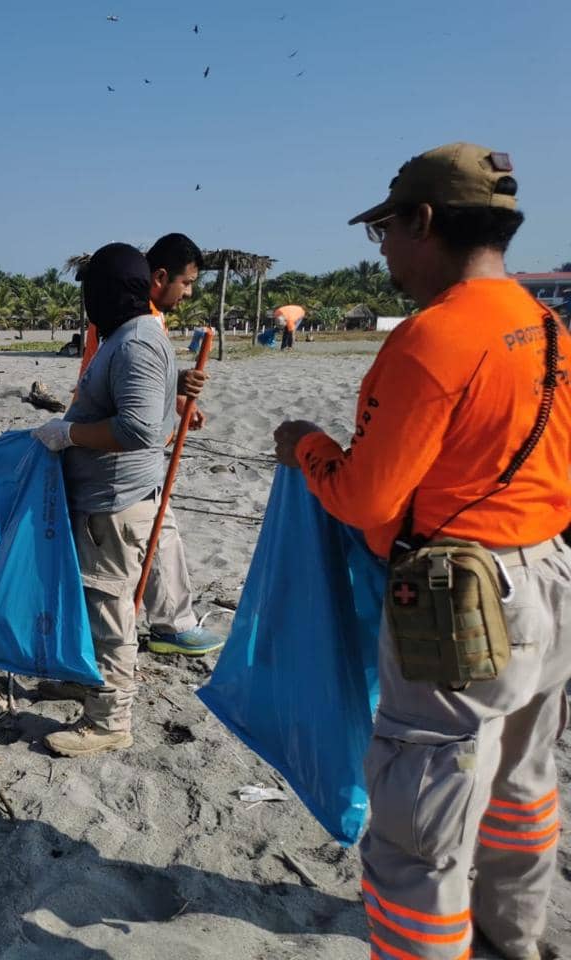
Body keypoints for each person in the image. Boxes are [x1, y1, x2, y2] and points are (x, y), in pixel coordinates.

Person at [273, 142, 571, 960]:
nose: (388, 255)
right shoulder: (541, 323)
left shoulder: (431, 340)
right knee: (521, 788)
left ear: (424, 222)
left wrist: (308, 446)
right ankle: (515, 941)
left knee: (419, 823)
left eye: (387, 233)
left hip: (462, 604)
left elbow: (366, 497)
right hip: (550, 574)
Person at [31, 242, 223, 758]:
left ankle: (109, 720)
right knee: (93, 605)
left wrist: (70, 436)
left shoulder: (137, 341)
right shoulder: (132, 337)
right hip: (106, 497)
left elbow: (138, 428)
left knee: (109, 611)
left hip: (114, 505)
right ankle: (87, 680)